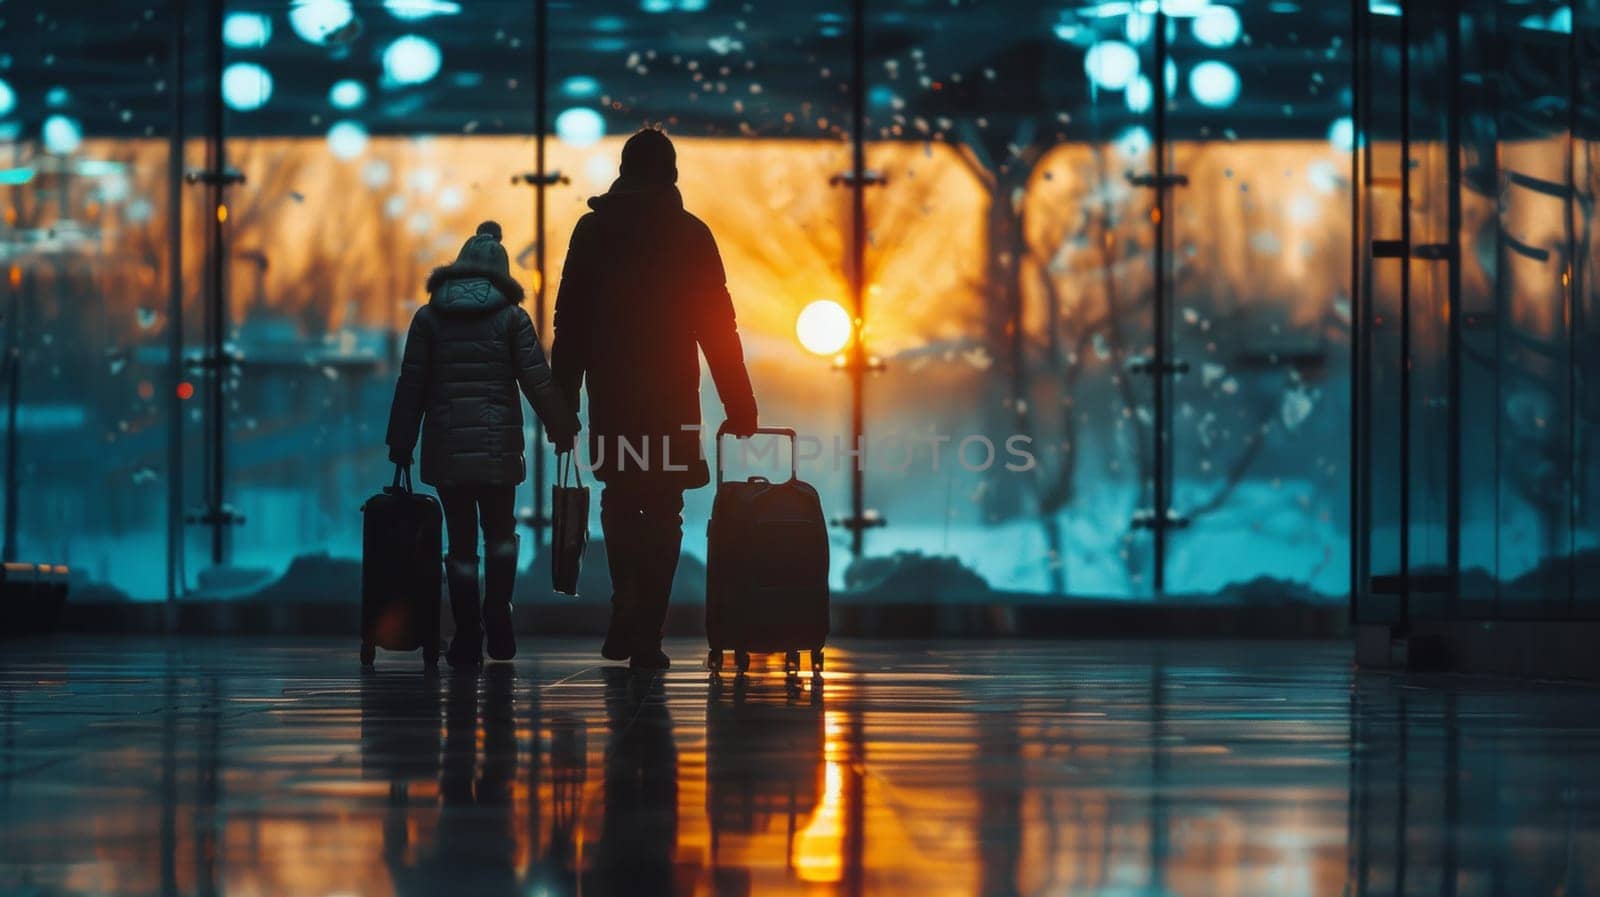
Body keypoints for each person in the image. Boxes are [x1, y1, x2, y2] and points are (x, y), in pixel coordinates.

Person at [551, 128, 758, 670]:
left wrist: (562, 401)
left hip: (614, 396)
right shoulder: (691, 234)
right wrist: (740, 403)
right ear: (671, 174)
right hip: (672, 400)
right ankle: (648, 631)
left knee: (620, 498)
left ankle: (627, 599)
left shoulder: (593, 231)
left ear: (623, 170)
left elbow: (569, 322)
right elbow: (719, 327)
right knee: (666, 507)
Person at [387, 220, 580, 669]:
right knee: (500, 536)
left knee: (459, 545)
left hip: (447, 452)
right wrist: (562, 427)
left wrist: (400, 442)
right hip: (498, 453)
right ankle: (498, 614)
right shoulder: (511, 319)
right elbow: (537, 380)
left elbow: (410, 384)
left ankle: (467, 633)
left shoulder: (428, 318)